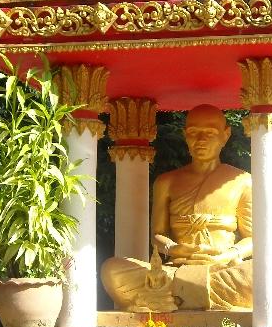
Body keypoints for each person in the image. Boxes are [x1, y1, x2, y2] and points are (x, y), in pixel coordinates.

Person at [101, 104, 252, 311]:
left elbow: (252, 239)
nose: (201, 140)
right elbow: (157, 235)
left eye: (209, 133)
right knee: (112, 270)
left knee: (260, 275)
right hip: (175, 269)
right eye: (193, 133)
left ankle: (172, 298)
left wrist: (228, 255)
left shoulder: (242, 180)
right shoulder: (167, 182)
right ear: (185, 135)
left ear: (225, 135)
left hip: (220, 268)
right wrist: (173, 248)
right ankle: (199, 295)